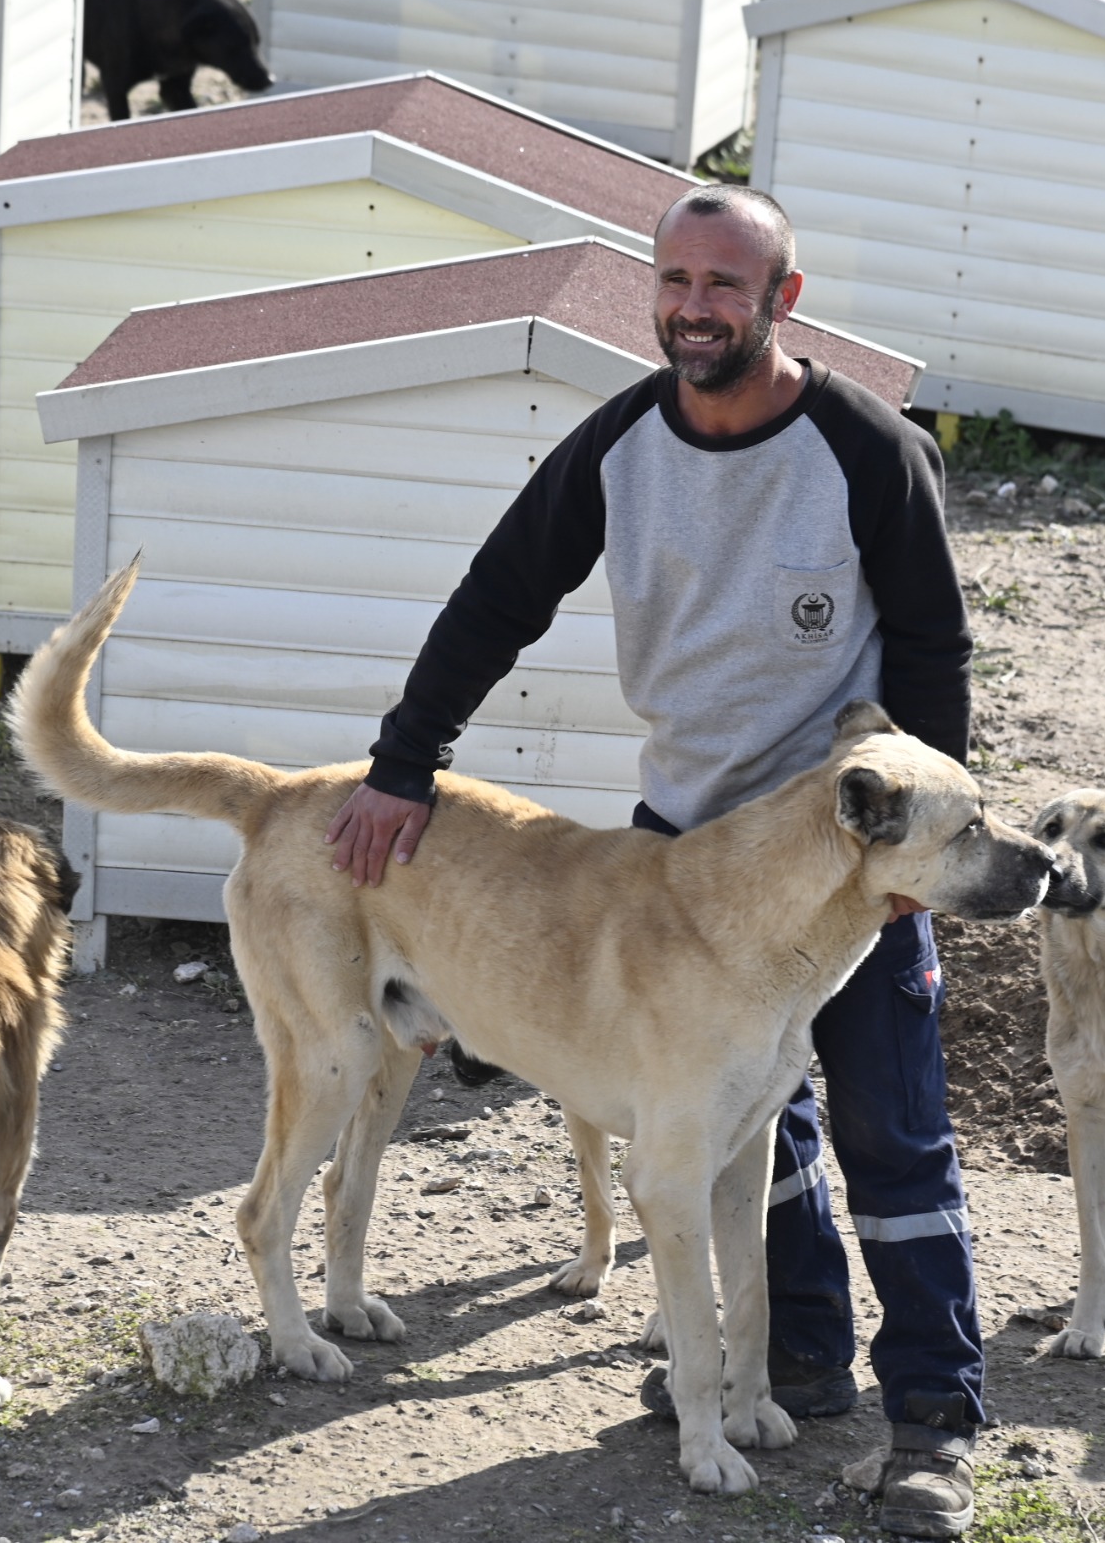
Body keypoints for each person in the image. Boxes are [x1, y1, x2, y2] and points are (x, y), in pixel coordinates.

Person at [323, 185, 982, 1538]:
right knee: (751, 1131)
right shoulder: (620, 445)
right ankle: (787, 1357)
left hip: (848, 863)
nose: (694, 307)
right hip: (685, 864)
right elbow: (500, 593)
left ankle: (932, 1421)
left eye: (724, 285)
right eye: (675, 279)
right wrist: (404, 763)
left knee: (890, 1127)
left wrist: (921, 850)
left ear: (780, 299)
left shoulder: (863, 449)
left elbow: (933, 655)